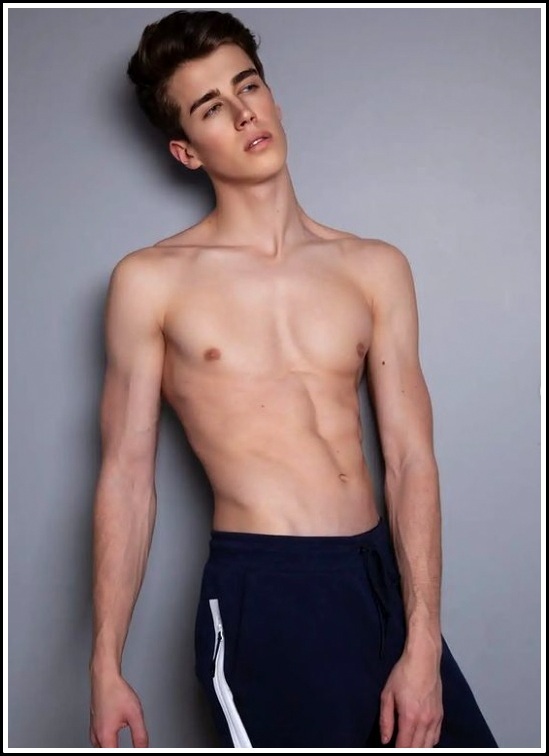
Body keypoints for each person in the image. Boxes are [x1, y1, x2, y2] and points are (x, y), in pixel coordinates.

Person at [89, 9, 498, 749]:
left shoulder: (374, 268)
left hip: (378, 578)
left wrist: (422, 640)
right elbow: (126, 474)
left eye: (248, 85)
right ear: (186, 151)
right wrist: (105, 662)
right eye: (212, 107)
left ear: (271, 96)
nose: (244, 112)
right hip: (266, 592)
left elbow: (410, 461)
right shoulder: (151, 282)